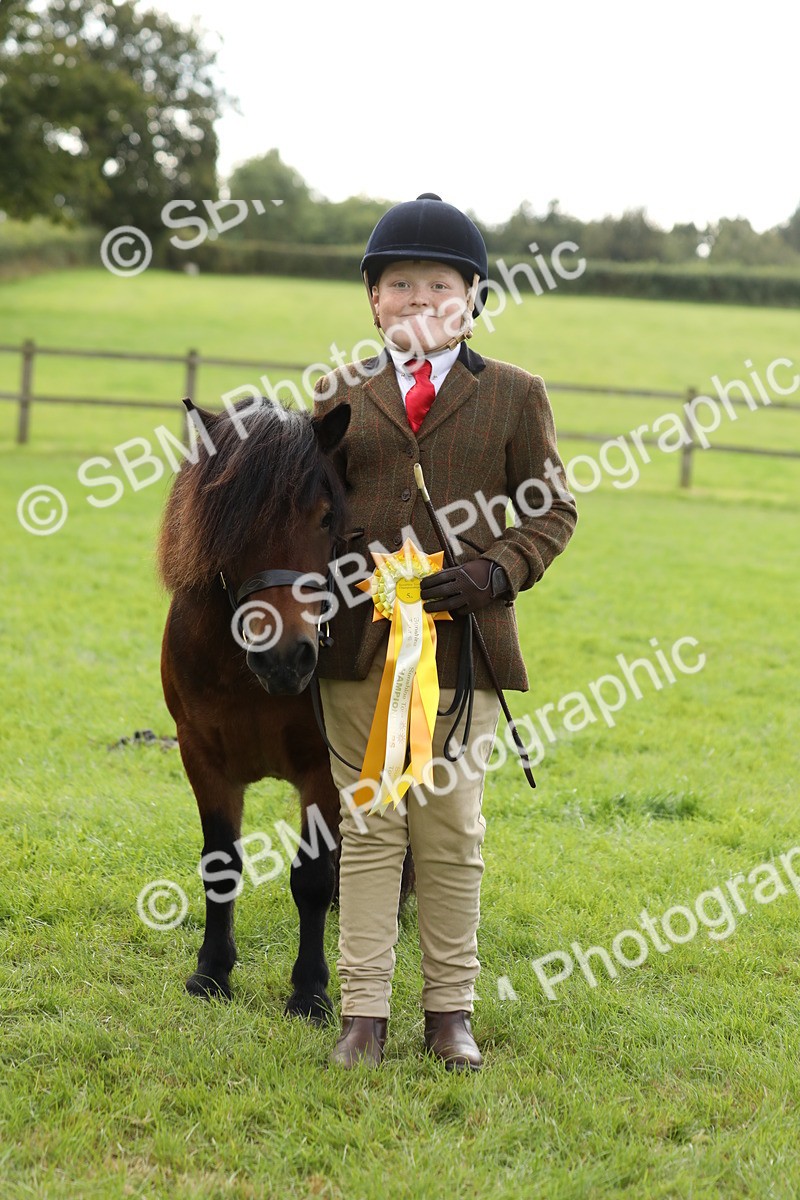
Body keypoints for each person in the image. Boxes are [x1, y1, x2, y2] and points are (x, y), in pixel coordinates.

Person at [313, 193, 577, 1070]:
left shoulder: (513, 395)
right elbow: (314, 513)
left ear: (473, 297)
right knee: (371, 826)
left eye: (438, 283)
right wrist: (355, 574)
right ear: (373, 299)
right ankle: (362, 1014)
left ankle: (449, 1012)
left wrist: (495, 573)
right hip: (359, 649)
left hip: (466, 653)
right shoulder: (338, 392)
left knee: (451, 828)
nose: (417, 299)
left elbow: (552, 510)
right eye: (398, 283)